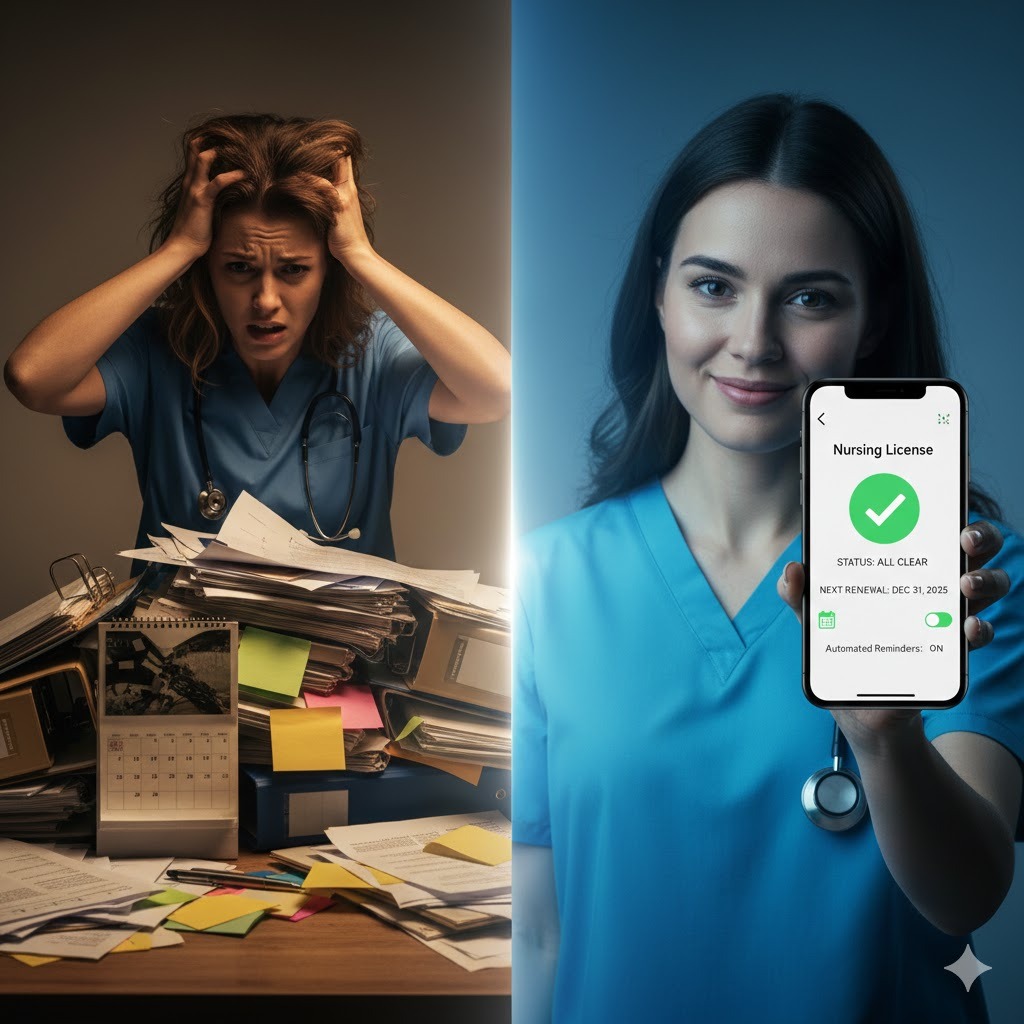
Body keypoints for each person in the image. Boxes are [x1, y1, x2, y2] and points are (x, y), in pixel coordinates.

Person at [513, 94, 1022, 1023]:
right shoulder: (549, 583)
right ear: (660, 293)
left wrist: (883, 736)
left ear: (871, 321)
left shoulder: (971, 571)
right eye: (713, 286)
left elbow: (967, 894)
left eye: (810, 298)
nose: (753, 342)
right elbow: (539, 933)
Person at [4, 113, 510, 560]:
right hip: (181, 661)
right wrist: (179, 247)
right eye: (239, 267)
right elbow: (32, 378)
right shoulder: (157, 350)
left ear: (327, 272)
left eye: (294, 270)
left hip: (343, 663)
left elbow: (495, 392)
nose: (265, 299)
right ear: (207, 268)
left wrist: (361, 256)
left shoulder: (374, 353)